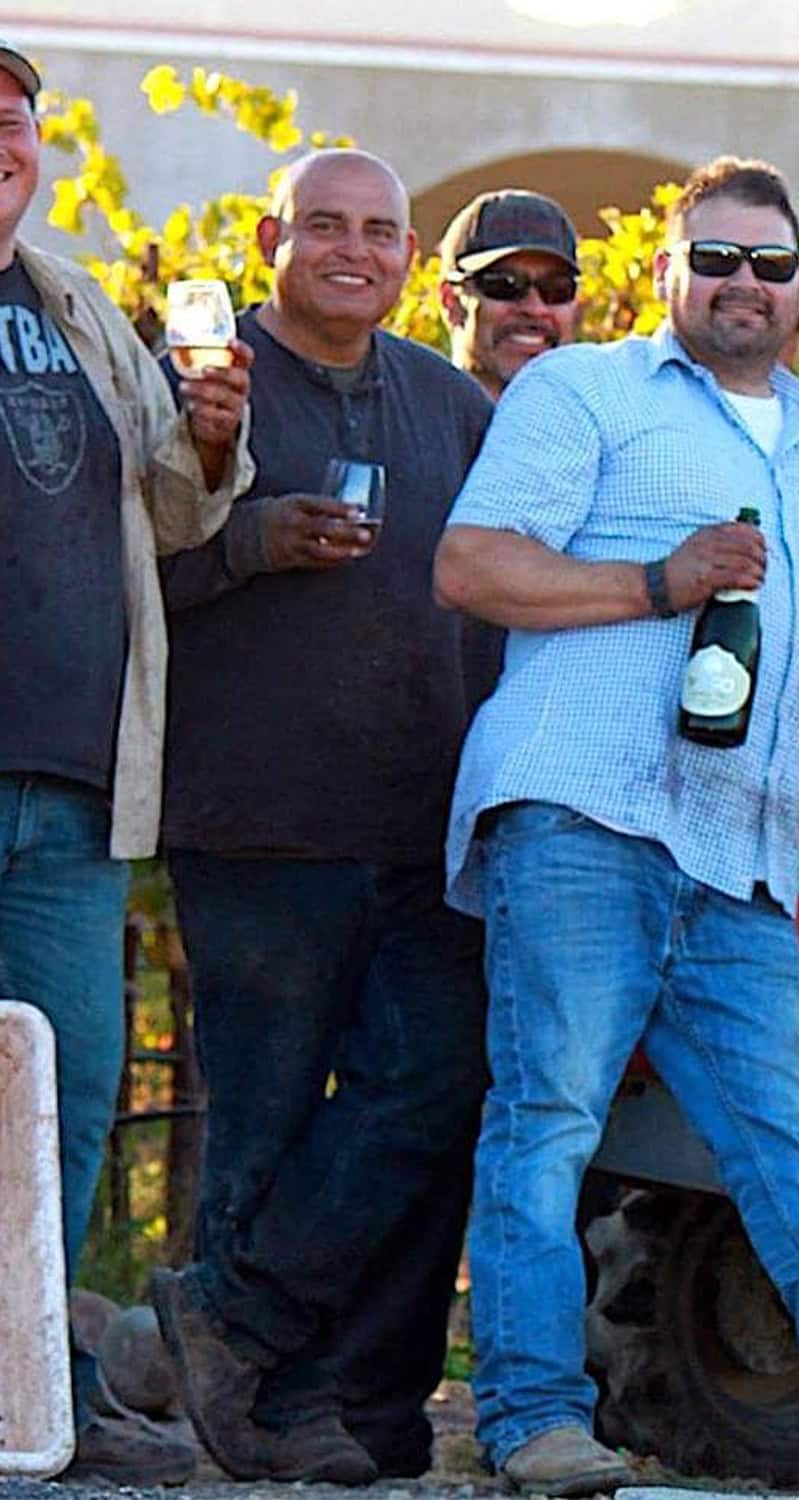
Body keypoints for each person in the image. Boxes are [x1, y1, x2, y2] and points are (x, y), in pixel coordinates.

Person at [430, 156, 799, 1499]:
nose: (741, 284)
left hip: (741, 850)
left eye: (767, 265)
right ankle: (534, 1425)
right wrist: (664, 580)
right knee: (547, 1120)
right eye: (713, 259)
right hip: (583, 812)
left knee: (794, 1141)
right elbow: (472, 566)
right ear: (668, 270)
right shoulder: (584, 390)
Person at [145, 149, 495, 1487]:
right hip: (259, 823)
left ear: (409, 257)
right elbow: (121, 580)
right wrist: (245, 543)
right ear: (272, 235)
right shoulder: (207, 384)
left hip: (425, 818)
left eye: (381, 232)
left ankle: (244, 1327)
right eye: (326, 226)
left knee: (432, 1084)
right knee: (271, 1115)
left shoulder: (448, 401)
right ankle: (278, 1416)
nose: (355, 250)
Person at [0, 41, 252, 1487]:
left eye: (15, 121)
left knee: (68, 1094)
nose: (2, 141)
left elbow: (170, 505)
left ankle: (39, 1387)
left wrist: (212, 441)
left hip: (82, 789)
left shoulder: (75, 302)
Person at [438, 189, 584, 398]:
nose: (535, 309)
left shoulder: (607, 425)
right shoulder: (404, 425)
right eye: (505, 285)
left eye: (557, 289)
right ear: (450, 301)